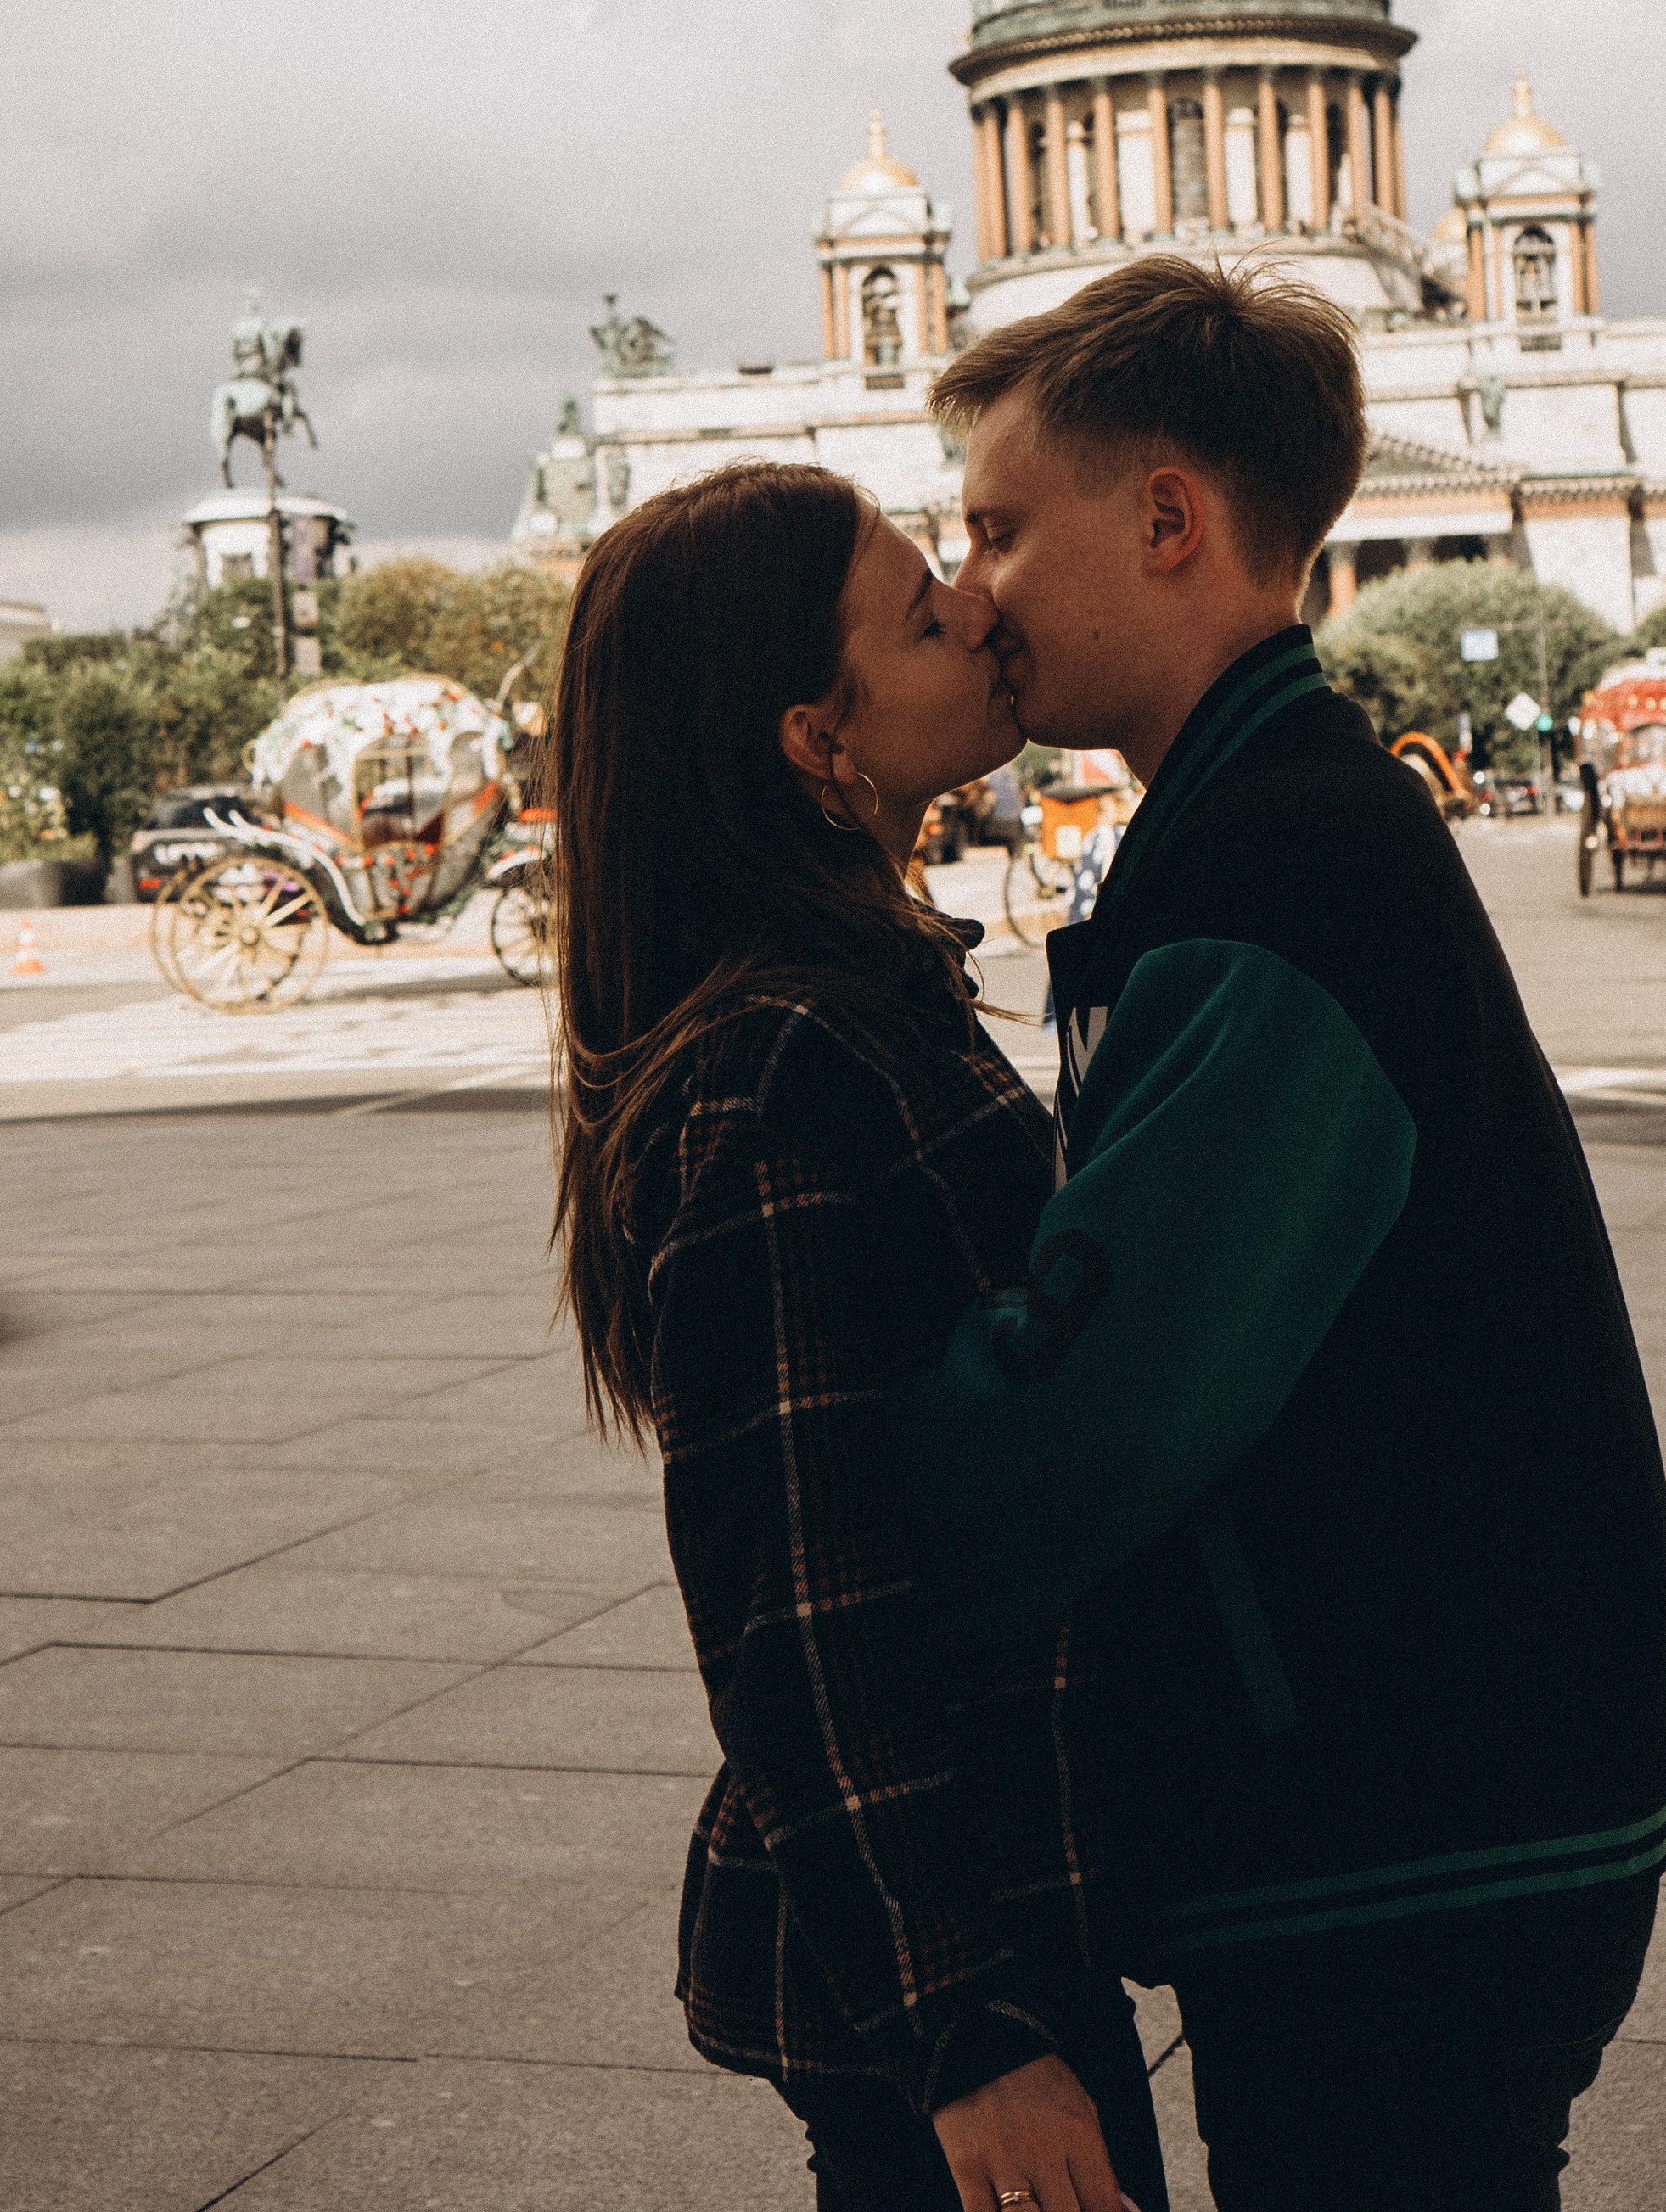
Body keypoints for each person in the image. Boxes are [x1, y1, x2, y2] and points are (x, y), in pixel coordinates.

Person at [892, 255, 1666, 2212]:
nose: (969, 591)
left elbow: (1090, 1413)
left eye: (996, 529)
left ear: (1165, 517)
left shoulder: (1272, 871)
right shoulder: (1269, 820)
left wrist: (845, 1487)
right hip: (1433, 1781)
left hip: (1403, 1818)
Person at [549, 463, 1170, 2212]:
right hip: (952, 1955)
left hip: (989, 1906)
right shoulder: (782, 1070)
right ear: (819, 745)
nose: (979, 608)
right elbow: (790, 1597)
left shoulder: (853, 1000)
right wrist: (959, 2027)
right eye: (919, 611)